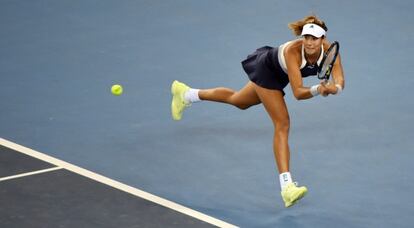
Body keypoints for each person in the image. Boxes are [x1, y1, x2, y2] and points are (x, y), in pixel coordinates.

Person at [170, 15, 345, 207]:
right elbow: (298, 93)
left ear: (322, 39)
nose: (309, 43)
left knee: (238, 101)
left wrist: (332, 89)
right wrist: (318, 90)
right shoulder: (294, 52)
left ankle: (186, 94)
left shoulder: (330, 51)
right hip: (267, 69)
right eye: (306, 38)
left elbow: (340, 82)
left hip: (280, 74)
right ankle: (287, 187)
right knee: (282, 123)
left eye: (314, 39)